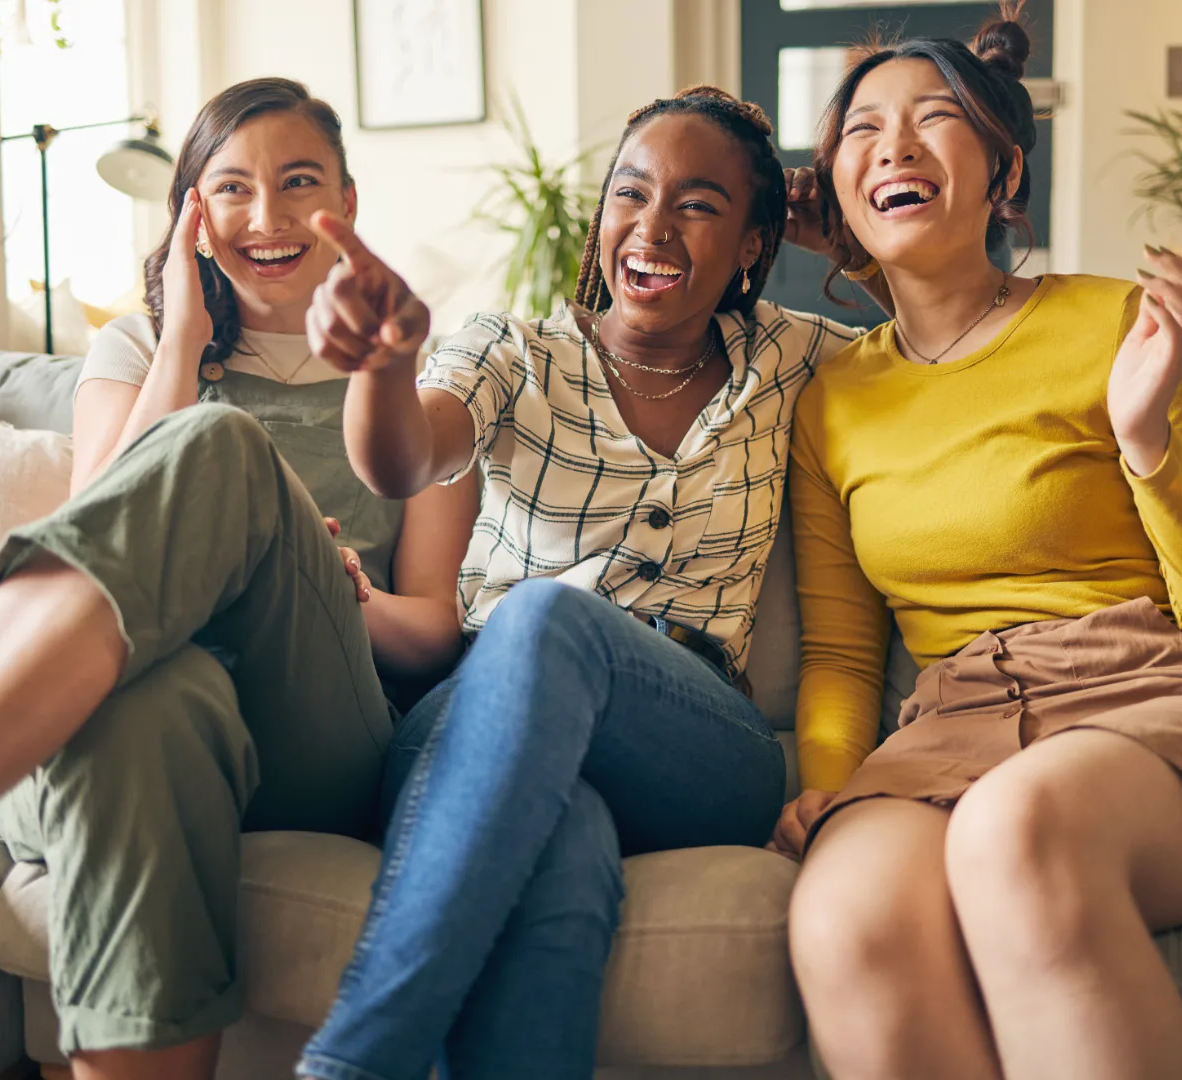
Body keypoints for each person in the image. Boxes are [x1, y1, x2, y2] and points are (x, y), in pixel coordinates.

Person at [0, 77, 479, 1080]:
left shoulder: (403, 380)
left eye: (300, 183)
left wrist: (341, 583)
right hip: (149, 691)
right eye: (231, 190)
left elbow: (436, 631)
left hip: (323, 732)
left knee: (220, 448)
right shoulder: (135, 348)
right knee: (152, 706)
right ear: (192, 217)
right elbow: (96, 530)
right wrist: (180, 341)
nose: (266, 216)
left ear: (347, 201)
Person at [771, 14, 1182, 1080]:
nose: (895, 147)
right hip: (952, 729)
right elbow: (843, 652)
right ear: (839, 187)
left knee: (1012, 830)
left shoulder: (1120, 322)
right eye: (864, 132)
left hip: (1155, 702)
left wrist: (1145, 435)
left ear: (1002, 170)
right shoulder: (829, 399)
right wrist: (830, 783)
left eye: (935, 121)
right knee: (843, 917)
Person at [287, 86, 862, 1080]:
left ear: (753, 248)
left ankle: (356, 1059)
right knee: (563, 858)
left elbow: (949, 346)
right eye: (630, 195)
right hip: (475, 722)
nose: (653, 228)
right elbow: (404, 459)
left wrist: (849, 250)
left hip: (688, 747)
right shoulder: (515, 354)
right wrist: (383, 368)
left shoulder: (794, 358)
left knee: (551, 618)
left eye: (699, 205)